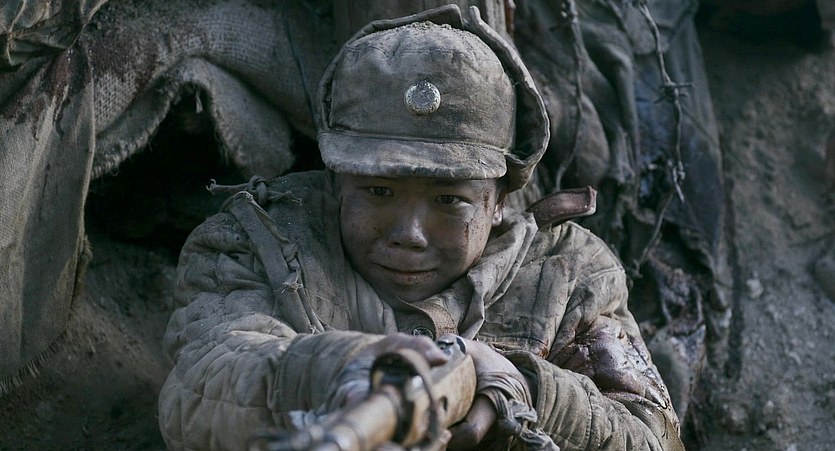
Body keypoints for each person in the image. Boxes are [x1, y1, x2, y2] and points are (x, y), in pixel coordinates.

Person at [157, 5, 683, 450]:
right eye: (378, 192)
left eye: (449, 200)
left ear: (499, 201)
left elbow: (651, 436)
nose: (409, 233)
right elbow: (199, 383)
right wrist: (333, 368)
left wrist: (528, 388)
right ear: (336, 181)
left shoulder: (569, 277)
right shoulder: (255, 240)